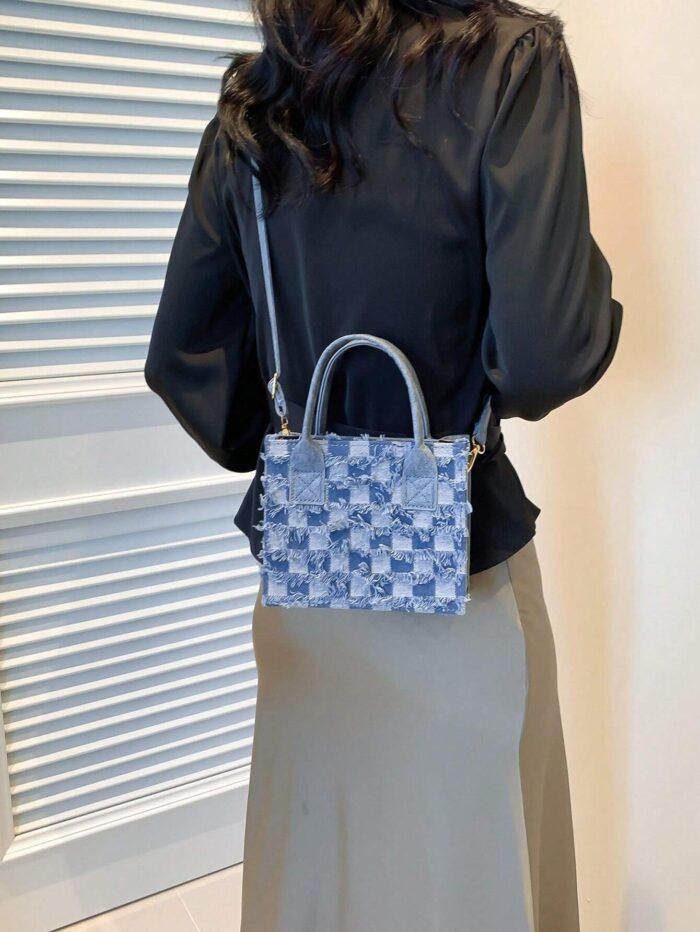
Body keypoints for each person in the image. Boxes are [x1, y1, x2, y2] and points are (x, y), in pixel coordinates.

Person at [144, 2, 623, 929]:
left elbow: (184, 358)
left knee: (318, 879)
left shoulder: (259, 102)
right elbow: (547, 353)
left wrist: (303, 442)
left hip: (307, 588)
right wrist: (592, 296)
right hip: (460, 569)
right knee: (476, 879)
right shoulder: (508, 65)